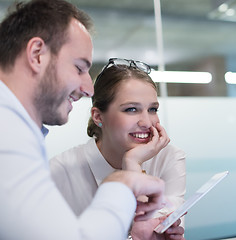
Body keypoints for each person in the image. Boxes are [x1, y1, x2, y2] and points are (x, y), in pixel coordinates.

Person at [0, 1, 166, 240]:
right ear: (37, 55)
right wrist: (122, 184)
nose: (89, 89)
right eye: (79, 68)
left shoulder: (15, 129)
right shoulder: (6, 132)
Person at [50, 58, 187, 240]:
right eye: (131, 109)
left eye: (153, 109)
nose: (147, 122)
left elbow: (157, 234)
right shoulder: (60, 171)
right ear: (98, 116)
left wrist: (133, 165)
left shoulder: (169, 157)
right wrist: (132, 166)